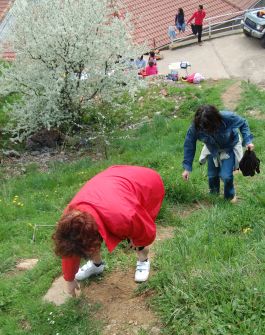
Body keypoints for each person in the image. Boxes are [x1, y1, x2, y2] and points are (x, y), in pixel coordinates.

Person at [53, 165, 165, 296]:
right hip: (113, 182)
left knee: (137, 236)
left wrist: (136, 240)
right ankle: (97, 265)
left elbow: (145, 229)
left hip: (148, 184)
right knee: (85, 240)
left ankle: (143, 260)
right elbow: (71, 245)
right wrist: (69, 278)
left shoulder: (125, 216)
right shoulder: (69, 218)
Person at [182, 105, 254, 202]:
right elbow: (189, 145)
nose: (206, 130)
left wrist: (248, 141)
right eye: (204, 128)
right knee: (212, 175)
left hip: (229, 148)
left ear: (216, 120)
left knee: (226, 176)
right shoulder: (195, 127)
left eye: (209, 127)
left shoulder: (227, 117)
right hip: (212, 149)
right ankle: (214, 195)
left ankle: (229, 197)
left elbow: (243, 123)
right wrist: (187, 168)